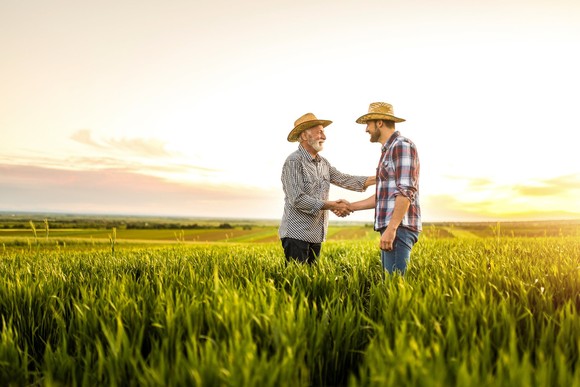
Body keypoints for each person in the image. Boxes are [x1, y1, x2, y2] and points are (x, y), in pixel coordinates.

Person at [279, 112, 375, 264]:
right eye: (320, 132)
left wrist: (380, 177)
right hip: (296, 235)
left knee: (312, 284)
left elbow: (344, 179)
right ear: (304, 136)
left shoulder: (324, 163)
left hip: (316, 234)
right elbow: (297, 199)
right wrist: (332, 205)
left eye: (324, 132)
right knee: (297, 284)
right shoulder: (294, 161)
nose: (324, 137)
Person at [343, 102, 421, 275]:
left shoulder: (401, 145)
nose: (366, 129)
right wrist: (350, 206)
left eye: (368, 124)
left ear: (379, 123)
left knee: (394, 288)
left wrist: (392, 228)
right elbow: (382, 196)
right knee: (389, 287)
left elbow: (406, 191)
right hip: (392, 227)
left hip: (398, 228)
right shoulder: (387, 151)